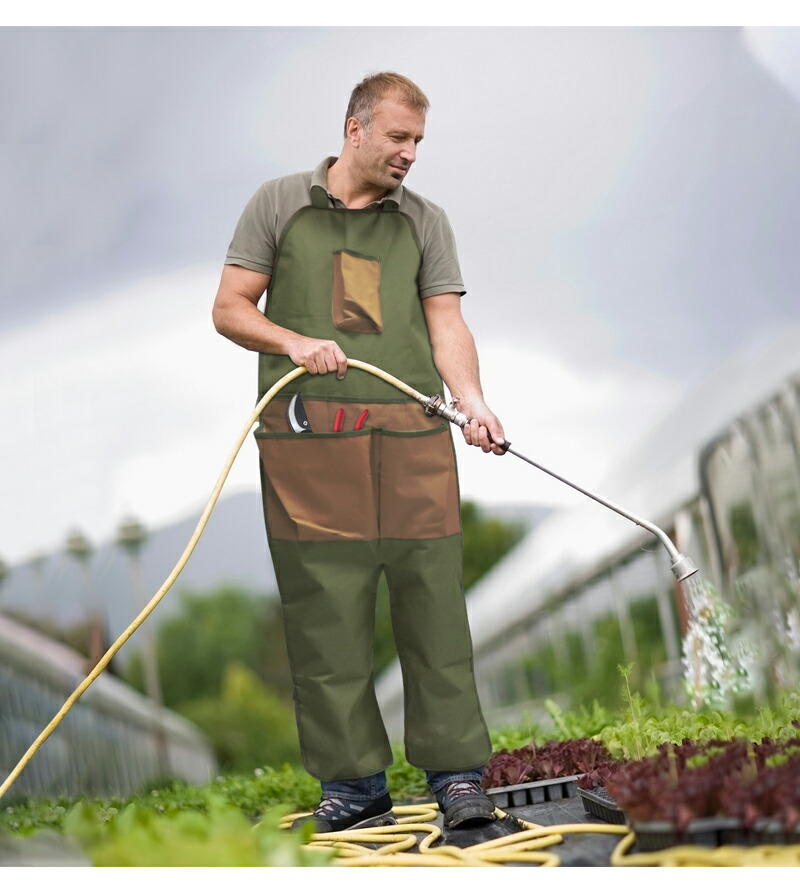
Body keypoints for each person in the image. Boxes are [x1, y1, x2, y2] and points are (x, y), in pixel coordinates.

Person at [212, 71, 506, 832]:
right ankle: (354, 785)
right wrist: (294, 341)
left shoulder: (424, 222)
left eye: (418, 142)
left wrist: (471, 398)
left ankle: (458, 776)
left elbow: (446, 323)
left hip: (413, 441)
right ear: (355, 129)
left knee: (435, 608)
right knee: (326, 616)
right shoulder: (279, 205)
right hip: (309, 448)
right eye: (398, 137)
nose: (410, 153)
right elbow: (230, 307)